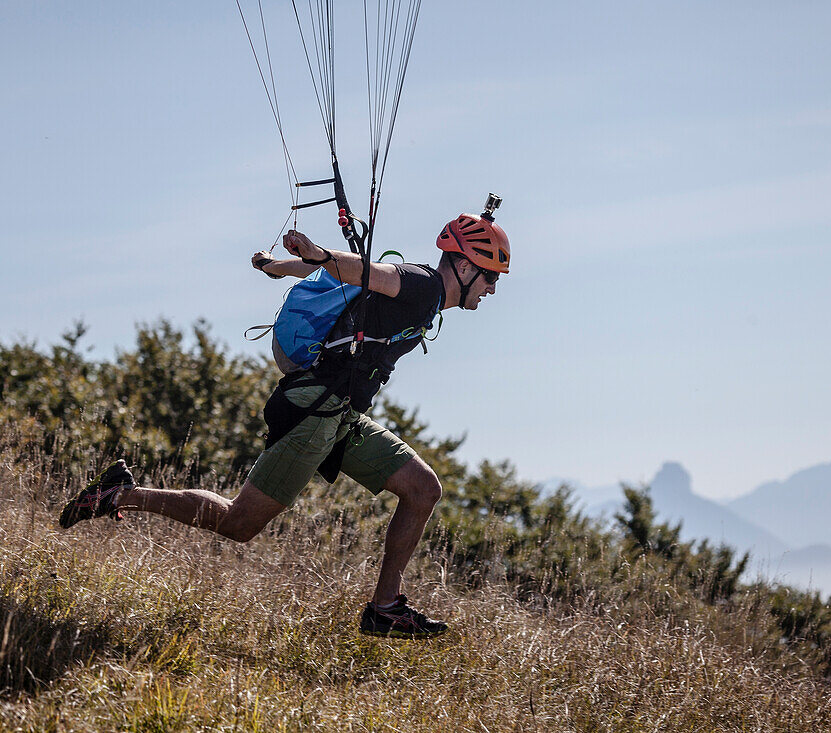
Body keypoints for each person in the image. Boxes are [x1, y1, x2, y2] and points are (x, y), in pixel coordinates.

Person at [59, 206, 510, 639]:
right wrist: (320, 255)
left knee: (422, 488)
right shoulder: (423, 286)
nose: (491, 289)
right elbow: (371, 273)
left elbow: (354, 280)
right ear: (466, 267)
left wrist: (280, 266)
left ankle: (384, 608)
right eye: (490, 276)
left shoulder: (424, 299)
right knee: (239, 524)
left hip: (342, 415)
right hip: (318, 410)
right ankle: (120, 492)